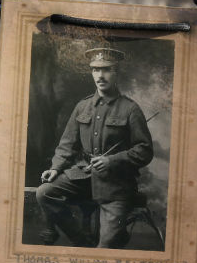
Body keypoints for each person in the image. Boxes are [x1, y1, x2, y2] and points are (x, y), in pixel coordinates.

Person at [35, 46, 154, 248]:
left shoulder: (130, 109)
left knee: (105, 248)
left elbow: (144, 150)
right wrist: (55, 168)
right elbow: (67, 145)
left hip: (116, 187)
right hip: (83, 179)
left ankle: (100, 244)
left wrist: (112, 161)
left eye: (106, 69)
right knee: (44, 193)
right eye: (95, 70)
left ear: (116, 73)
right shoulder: (83, 106)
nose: (100, 75)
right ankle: (81, 241)